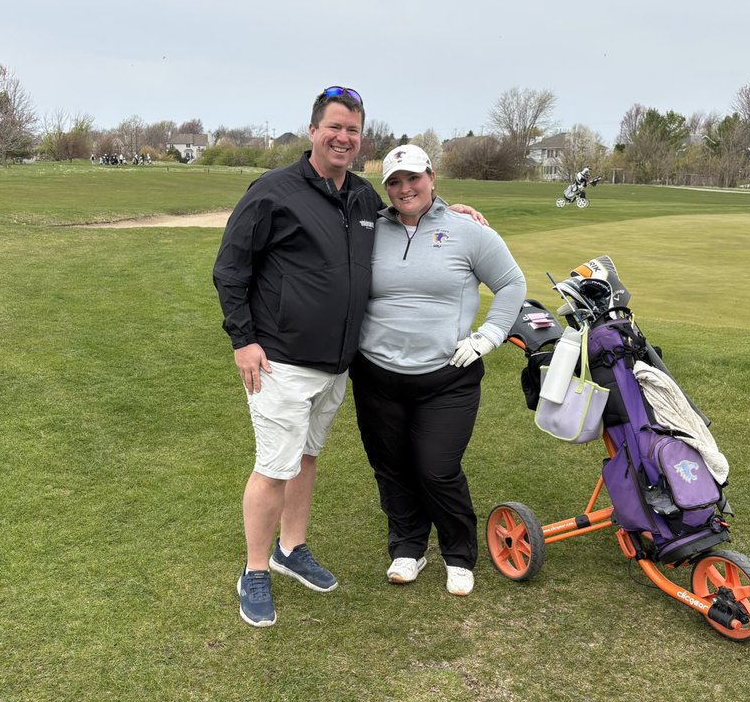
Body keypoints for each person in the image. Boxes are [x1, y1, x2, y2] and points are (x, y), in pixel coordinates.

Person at [213, 87, 485, 628]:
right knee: (274, 466)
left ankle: (291, 549)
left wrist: (446, 212)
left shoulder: (362, 198)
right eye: (335, 127)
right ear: (313, 130)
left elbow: (406, 211)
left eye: (353, 131)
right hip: (280, 361)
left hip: (337, 364)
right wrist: (243, 340)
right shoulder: (273, 191)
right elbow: (231, 268)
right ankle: (255, 569)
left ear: (362, 140)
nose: (343, 138)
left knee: (306, 459)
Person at [349, 144, 526, 597]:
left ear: (432, 178)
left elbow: (511, 284)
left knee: (436, 468)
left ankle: (458, 553)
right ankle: (408, 547)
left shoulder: (467, 230)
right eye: (394, 181)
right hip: (377, 374)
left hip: (446, 378)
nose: (405, 188)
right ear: (384, 188)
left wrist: (489, 336)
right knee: (390, 467)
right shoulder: (369, 227)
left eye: (413, 178)